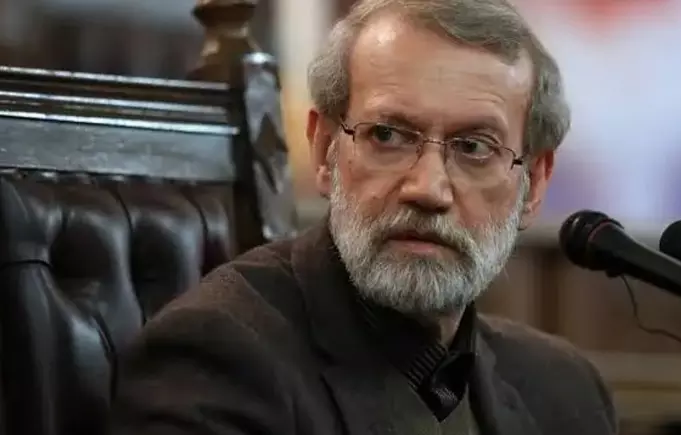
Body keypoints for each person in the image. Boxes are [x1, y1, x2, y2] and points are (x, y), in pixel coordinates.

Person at [110, 0, 619, 434]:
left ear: (534, 183)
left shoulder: (565, 390)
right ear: (325, 150)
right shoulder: (219, 359)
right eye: (387, 136)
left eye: (473, 147)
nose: (428, 189)